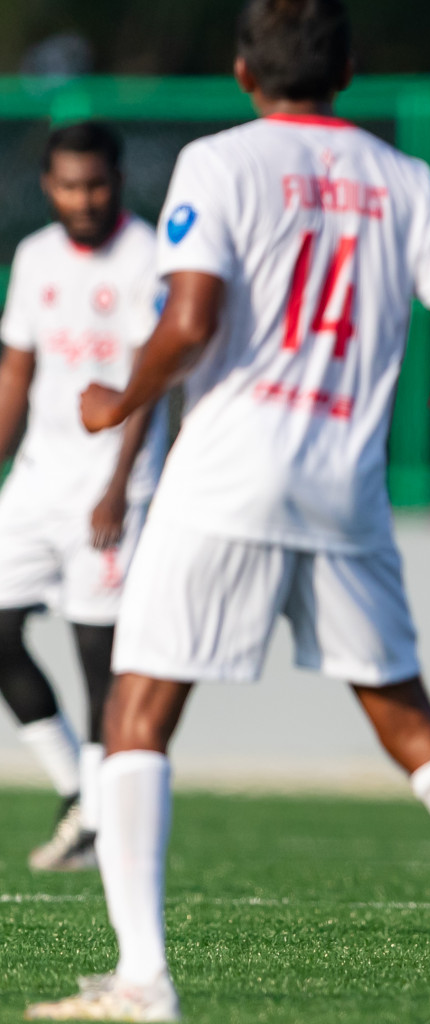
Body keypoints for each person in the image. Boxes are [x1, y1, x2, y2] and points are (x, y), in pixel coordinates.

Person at [23, 2, 430, 1021]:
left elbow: (191, 319)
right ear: (352, 71)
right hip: (344, 486)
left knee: (139, 710)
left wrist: (122, 397)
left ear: (244, 72)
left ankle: (143, 977)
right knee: (408, 716)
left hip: (227, 476)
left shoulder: (219, 161)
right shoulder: (405, 179)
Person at [0, 121, 166, 874]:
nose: (83, 198)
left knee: (98, 657)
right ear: (48, 186)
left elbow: (149, 381)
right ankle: (78, 793)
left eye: (95, 184)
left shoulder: (147, 257)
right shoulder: (34, 258)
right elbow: (16, 373)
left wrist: (117, 488)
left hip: (111, 491)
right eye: (69, 185)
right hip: (37, 482)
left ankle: (102, 820)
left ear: (117, 181)